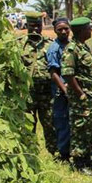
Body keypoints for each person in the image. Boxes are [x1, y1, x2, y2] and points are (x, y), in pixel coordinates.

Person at [61, 17, 92, 175]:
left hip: (91, 95)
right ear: (80, 31)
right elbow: (68, 75)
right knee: (80, 128)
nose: (91, 30)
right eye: (88, 28)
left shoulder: (83, 47)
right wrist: (81, 94)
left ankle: (88, 159)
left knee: (90, 129)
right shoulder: (72, 49)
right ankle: (79, 163)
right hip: (82, 98)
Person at [19, 11, 57, 155]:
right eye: (32, 26)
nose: (35, 29)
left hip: (47, 92)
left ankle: (55, 153)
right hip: (28, 93)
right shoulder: (19, 45)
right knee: (28, 124)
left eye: (38, 26)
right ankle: (29, 153)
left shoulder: (50, 44)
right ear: (27, 25)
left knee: (50, 123)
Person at [47, 18, 72, 162]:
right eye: (60, 29)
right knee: (62, 122)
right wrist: (65, 89)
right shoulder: (54, 48)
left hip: (74, 89)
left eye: (66, 28)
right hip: (61, 93)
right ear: (55, 31)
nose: (63, 32)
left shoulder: (73, 45)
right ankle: (63, 155)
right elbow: (54, 73)